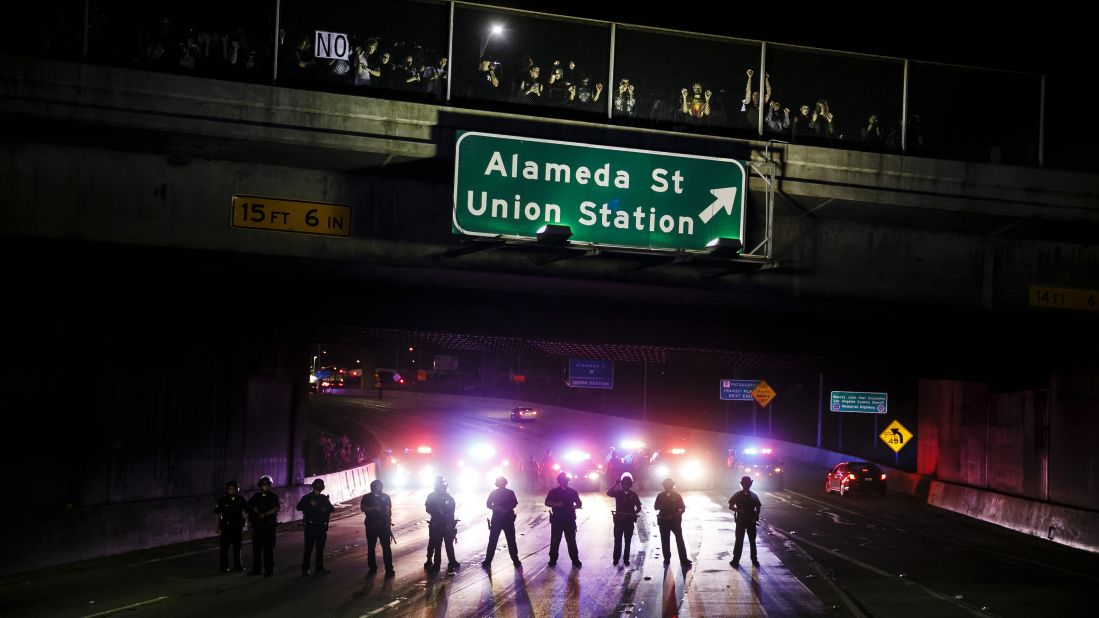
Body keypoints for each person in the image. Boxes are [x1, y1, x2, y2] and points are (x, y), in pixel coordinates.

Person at [482, 476, 522, 569]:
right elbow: (514, 504)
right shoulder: (509, 492)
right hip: (505, 519)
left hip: (498, 518)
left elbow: (489, 505)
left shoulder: (495, 493)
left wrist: (498, 509)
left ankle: (488, 560)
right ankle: (515, 560)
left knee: (494, 540)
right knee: (509, 540)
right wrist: (504, 509)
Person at [544, 472, 583, 568]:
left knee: (571, 541)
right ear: (559, 480)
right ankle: (552, 560)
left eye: (565, 480)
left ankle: (575, 560)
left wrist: (575, 506)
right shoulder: (553, 492)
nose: (564, 481)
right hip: (557, 520)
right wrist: (557, 505)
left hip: (569, 519)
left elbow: (579, 503)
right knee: (555, 540)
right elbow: (547, 502)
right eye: (563, 479)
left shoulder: (573, 492)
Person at [297, 479, 335, 575]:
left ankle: (317, 568)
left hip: (320, 527)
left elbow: (331, 509)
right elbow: (299, 507)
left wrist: (323, 507)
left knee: (318, 549)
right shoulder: (307, 498)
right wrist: (310, 505)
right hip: (311, 526)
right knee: (309, 549)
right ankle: (306, 569)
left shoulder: (323, 498)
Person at [654, 478, 692, 569]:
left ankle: (683, 559)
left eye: (669, 484)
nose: (667, 486)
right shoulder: (660, 496)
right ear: (663, 485)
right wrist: (661, 506)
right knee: (665, 540)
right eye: (665, 484)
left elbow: (682, 508)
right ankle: (667, 558)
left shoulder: (677, 495)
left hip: (675, 521)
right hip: (663, 521)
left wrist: (675, 515)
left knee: (679, 540)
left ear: (672, 485)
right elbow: (655, 507)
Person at [246, 475, 280, 577]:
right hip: (257, 527)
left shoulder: (273, 497)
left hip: (268, 527)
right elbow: (248, 506)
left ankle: (269, 570)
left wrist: (265, 514)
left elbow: (276, 508)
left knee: (268, 550)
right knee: (256, 550)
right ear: (260, 486)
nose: (265, 487)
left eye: (267, 485)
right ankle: (256, 569)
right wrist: (254, 509)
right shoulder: (256, 496)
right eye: (264, 485)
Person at [360, 479, 395, 576]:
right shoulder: (367, 497)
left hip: (382, 524)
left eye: (379, 486)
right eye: (376, 486)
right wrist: (374, 508)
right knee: (372, 547)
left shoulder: (385, 497)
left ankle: (388, 568)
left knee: (386, 547)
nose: (377, 488)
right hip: (371, 524)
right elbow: (363, 508)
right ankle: (373, 567)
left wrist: (388, 522)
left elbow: (388, 510)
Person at [606, 474, 642, 566]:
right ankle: (616, 559)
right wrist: (615, 484)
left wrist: (634, 512)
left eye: (627, 484)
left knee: (627, 541)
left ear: (630, 485)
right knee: (617, 541)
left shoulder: (633, 495)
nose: (625, 485)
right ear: (621, 485)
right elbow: (609, 493)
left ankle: (626, 559)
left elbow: (638, 507)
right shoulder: (618, 493)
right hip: (619, 521)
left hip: (629, 521)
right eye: (623, 484)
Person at [425, 476, 459, 573]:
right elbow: (428, 509)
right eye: (441, 486)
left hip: (446, 524)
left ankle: (452, 561)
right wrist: (437, 512)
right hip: (436, 523)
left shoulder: (449, 498)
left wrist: (451, 524)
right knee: (436, 544)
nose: (443, 488)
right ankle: (435, 564)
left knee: (449, 545)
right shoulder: (431, 496)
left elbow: (452, 512)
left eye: (444, 487)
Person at [728, 475, 762, 567]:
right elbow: (730, 506)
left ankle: (741, 560)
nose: (746, 485)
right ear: (742, 484)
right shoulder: (746, 495)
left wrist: (755, 517)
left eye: (748, 483)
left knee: (747, 541)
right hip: (742, 521)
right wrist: (739, 510)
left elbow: (758, 508)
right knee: (742, 541)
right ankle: (740, 559)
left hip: (747, 521)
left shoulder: (748, 495)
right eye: (745, 483)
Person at [214, 480, 246, 573]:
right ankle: (224, 568)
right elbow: (217, 514)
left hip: (237, 527)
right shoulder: (222, 500)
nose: (232, 490)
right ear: (227, 490)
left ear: (237, 489)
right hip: (226, 527)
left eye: (234, 489)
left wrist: (245, 521)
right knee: (224, 548)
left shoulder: (240, 499)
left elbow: (246, 510)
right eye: (230, 489)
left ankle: (238, 566)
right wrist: (217, 526)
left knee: (237, 548)